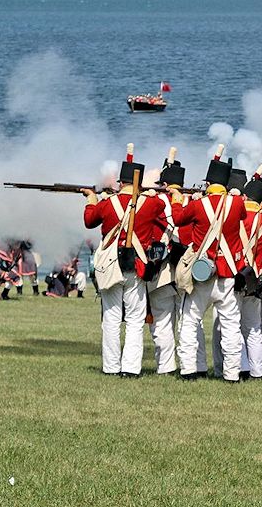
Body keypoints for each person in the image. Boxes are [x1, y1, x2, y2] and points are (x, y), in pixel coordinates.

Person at [82, 145, 168, 378]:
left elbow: (90, 220)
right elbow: (161, 205)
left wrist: (92, 199)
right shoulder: (151, 203)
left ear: (121, 182)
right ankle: (130, 368)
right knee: (135, 319)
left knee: (110, 318)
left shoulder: (107, 203)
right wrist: (150, 193)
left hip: (111, 265)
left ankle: (111, 367)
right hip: (137, 268)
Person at [171, 151, 247, 382]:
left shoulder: (199, 204)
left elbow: (178, 219)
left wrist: (177, 198)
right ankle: (232, 374)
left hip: (201, 274)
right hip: (227, 273)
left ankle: (188, 370)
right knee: (231, 327)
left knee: (189, 322)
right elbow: (241, 215)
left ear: (208, 183)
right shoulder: (236, 203)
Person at [144, 150, 185, 376]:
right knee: (183, 323)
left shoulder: (156, 202)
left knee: (161, 322)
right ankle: (188, 365)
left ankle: (166, 366)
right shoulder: (187, 202)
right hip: (184, 272)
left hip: (162, 272)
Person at [240, 170, 262, 381]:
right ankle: (257, 371)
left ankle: (241, 368)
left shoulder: (238, 215)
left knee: (234, 325)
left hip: (238, 274)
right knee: (254, 327)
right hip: (259, 273)